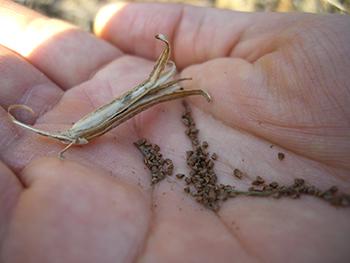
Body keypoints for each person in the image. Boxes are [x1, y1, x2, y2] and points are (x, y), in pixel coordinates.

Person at [0, 1, 349, 262]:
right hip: (103, 118)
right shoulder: (73, 136)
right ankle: (163, 84)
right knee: (137, 96)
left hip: (117, 112)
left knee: (140, 95)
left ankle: (166, 84)